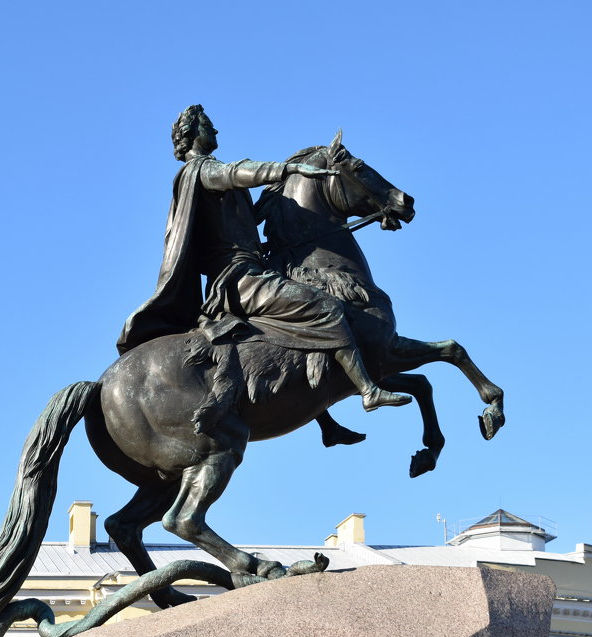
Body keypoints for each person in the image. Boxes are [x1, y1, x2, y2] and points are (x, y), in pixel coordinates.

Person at [117, 104, 409, 416]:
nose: (214, 131)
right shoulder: (201, 170)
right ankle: (368, 390)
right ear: (192, 135)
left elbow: (243, 220)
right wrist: (289, 169)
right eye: (207, 126)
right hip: (239, 279)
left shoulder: (210, 178)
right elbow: (237, 173)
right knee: (325, 307)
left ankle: (323, 416)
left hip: (246, 272)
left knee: (298, 318)